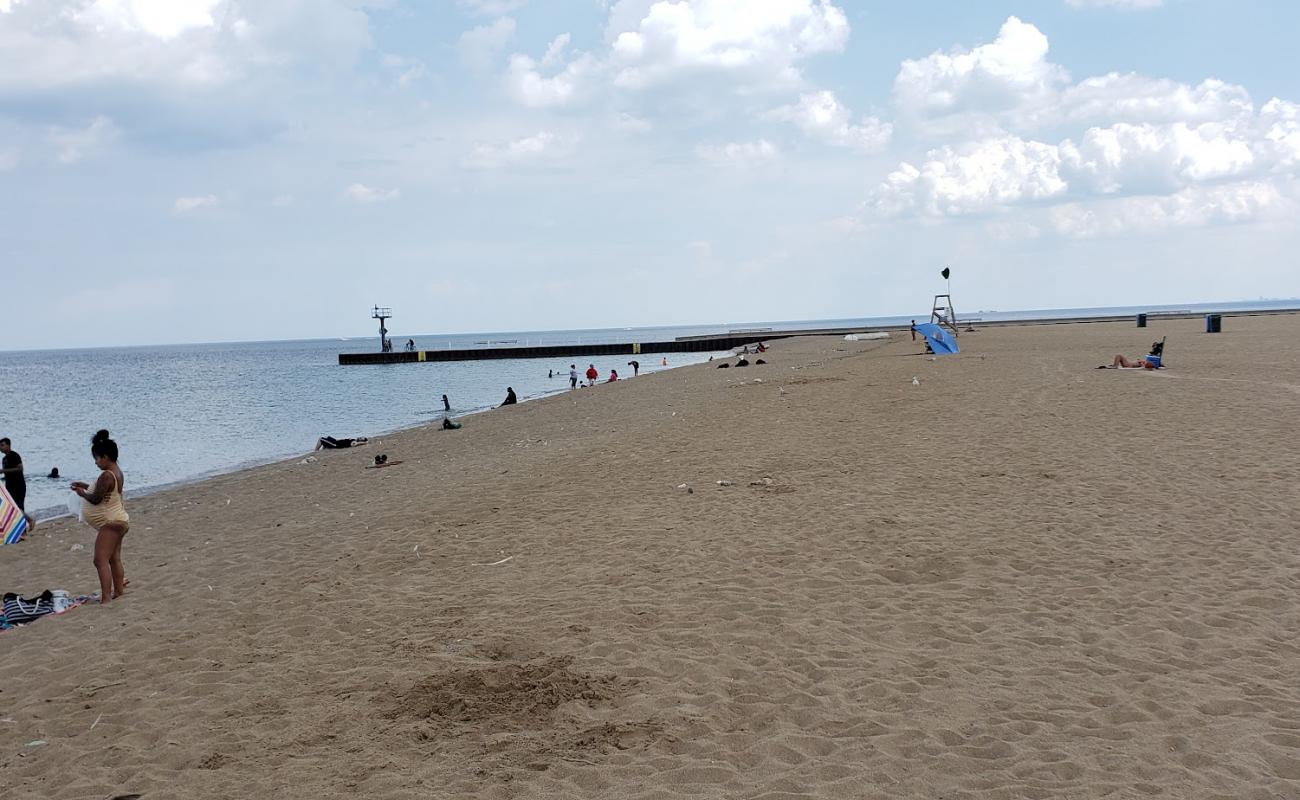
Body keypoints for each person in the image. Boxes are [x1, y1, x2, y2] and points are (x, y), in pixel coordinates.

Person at [71, 430, 129, 605]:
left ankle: (106, 598)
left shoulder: (106, 475)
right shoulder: (116, 472)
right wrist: (86, 486)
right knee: (114, 558)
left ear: (105, 457)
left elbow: (96, 498)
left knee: (100, 560)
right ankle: (118, 592)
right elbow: (104, 492)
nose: (96, 462)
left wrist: (82, 494)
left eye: (97, 458)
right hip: (120, 520)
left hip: (111, 522)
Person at [0, 437, 27, 519]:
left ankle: (27, 522)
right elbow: (7, 473)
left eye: (2, 445)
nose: (0, 447)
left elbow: (20, 468)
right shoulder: (4, 459)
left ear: (8, 445)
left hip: (18, 485)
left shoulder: (14, 455)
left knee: (19, 506)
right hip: (9, 486)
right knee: (11, 507)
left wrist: (4, 470)